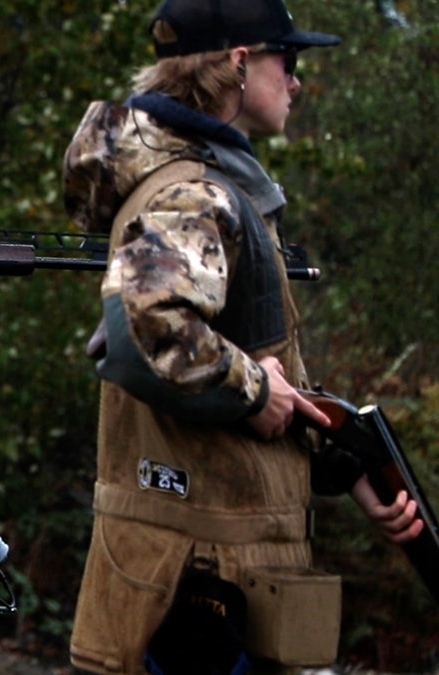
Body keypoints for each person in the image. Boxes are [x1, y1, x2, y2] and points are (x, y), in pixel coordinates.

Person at [61, 1, 423, 673]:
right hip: (195, 582)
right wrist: (257, 392)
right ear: (238, 61)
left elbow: (246, 360)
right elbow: (148, 327)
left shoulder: (217, 186)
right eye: (286, 61)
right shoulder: (192, 193)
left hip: (212, 569)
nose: (296, 82)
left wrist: (339, 465)